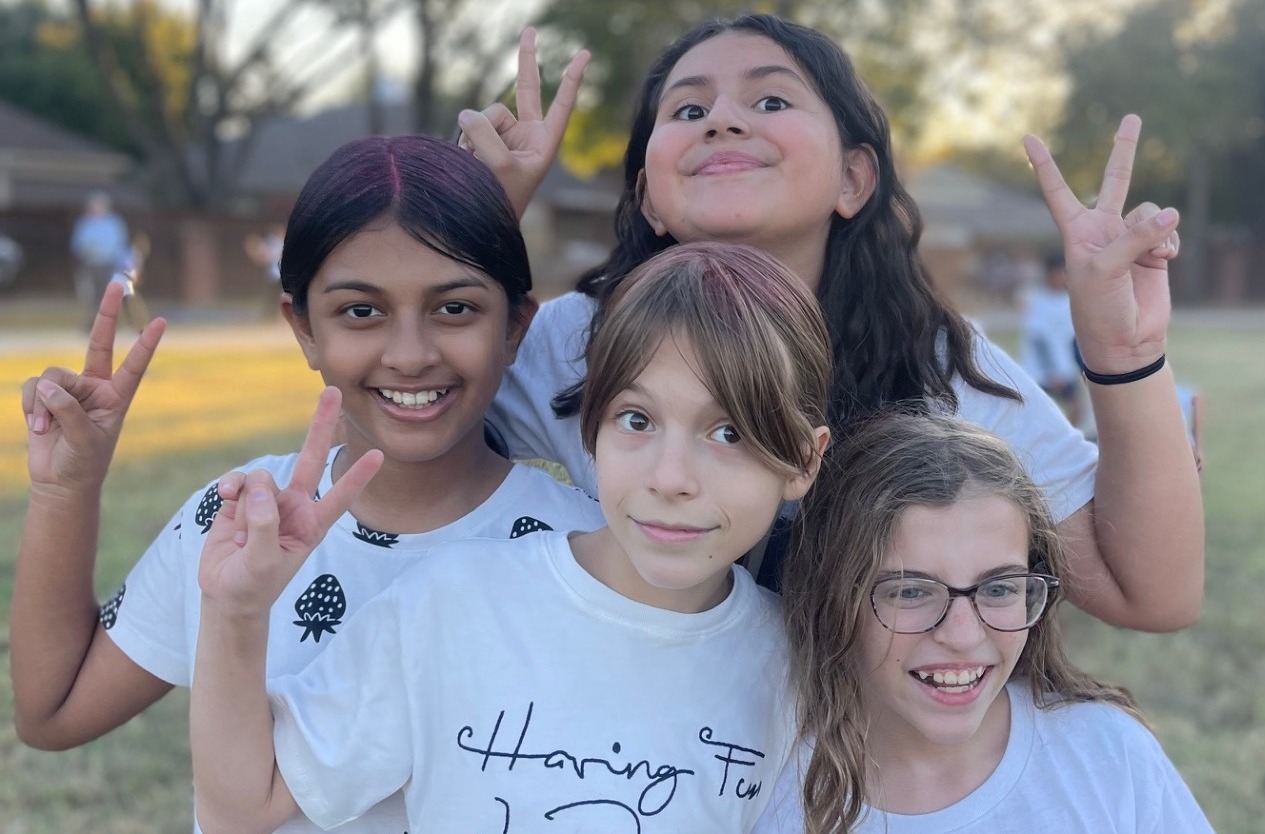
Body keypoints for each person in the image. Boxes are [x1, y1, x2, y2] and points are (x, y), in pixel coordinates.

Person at [464, 15, 1202, 629]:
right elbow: (390, 451)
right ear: (650, 197)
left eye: (771, 103)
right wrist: (481, 221)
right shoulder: (579, 339)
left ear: (854, 179)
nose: (721, 119)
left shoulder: (934, 363)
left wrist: (1124, 350)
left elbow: (1150, 595)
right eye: (688, 111)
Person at [11, 135, 604, 834]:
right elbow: (52, 712)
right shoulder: (235, 521)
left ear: (515, 327)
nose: (410, 355)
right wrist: (65, 491)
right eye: (361, 311)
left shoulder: (586, 554)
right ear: (304, 329)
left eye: (455, 309)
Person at [188, 241, 830, 833]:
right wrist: (235, 612)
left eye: (729, 433)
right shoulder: (454, 602)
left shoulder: (798, 671)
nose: (671, 478)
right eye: (636, 419)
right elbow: (244, 807)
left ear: (803, 460)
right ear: (591, 432)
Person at [761, 411, 1215, 833]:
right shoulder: (758, 785)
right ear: (832, 598)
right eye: (911, 591)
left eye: (998, 589)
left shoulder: (1107, 755)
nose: (962, 636)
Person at [1017, 252, 1082, 423]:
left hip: (1063, 368)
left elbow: (1072, 340)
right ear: (1051, 274)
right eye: (1062, 272)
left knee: (1075, 408)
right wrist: (1051, 372)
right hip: (1041, 371)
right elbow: (1038, 340)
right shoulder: (1036, 301)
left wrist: (1082, 368)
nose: (1065, 277)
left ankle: (1066, 444)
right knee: (1037, 413)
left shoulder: (1068, 301)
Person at [72, 191, 129, 328]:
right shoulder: (85, 223)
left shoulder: (114, 223)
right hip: (91, 264)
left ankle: (113, 322)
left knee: (111, 294)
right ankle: (95, 323)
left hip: (110, 264)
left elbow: (121, 243)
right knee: (92, 296)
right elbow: (77, 244)